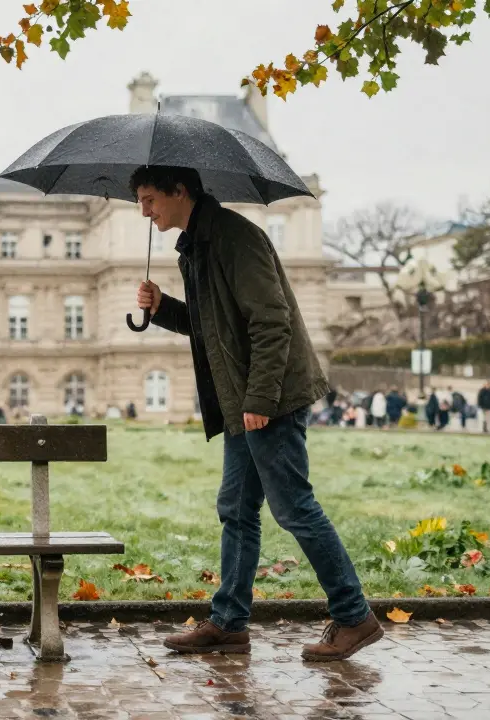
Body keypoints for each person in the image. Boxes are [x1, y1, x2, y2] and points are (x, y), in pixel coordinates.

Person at [132, 166, 379, 661]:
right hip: (241, 401)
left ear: (181, 191)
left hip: (271, 398)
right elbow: (210, 326)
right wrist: (162, 308)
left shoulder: (233, 238)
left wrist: (260, 401)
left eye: (150, 198)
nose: (144, 210)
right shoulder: (197, 245)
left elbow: (272, 323)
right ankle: (228, 624)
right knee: (237, 511)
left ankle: (354, 617)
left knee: (294, 508)